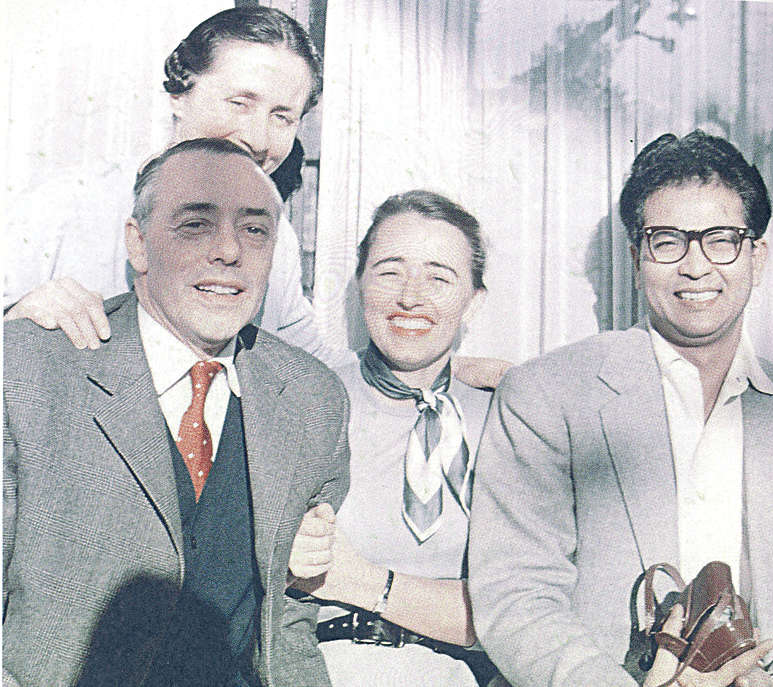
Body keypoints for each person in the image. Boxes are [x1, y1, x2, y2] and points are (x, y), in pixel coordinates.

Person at [467, 131, 773, 687]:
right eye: (667, 242)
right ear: (637, 258)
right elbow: (517, 594)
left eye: (722, 240)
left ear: (756, 258)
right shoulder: (545, 395)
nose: (695, 267)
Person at [3, 6, 509, 387]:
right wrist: (17, 315)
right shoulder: (63, 206)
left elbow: (309, 362)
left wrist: (443, 371)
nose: (258, 138)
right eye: (240, 102)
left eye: (282, 117)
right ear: (179, 94)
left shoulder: (273, 236)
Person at [3, 138, 350, 686]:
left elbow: (288, 630)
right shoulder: (29, 371)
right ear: (138, 244)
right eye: (195, 225)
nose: (229, 251)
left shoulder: (312, 400)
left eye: (254, 229)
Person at [287, 190, 500, 686]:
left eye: (439, 278)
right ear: (360, 284)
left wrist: (361, 582)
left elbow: (513, 609)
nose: (411, 297)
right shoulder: (306, 400)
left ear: (473, 302)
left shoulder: (506, 419)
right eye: (389, 272)